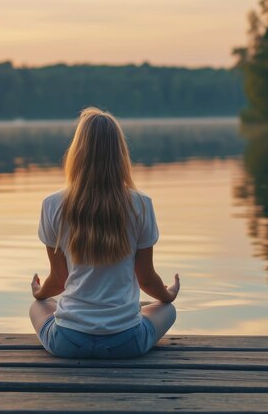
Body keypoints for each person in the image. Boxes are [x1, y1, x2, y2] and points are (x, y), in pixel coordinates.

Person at [29, 107, 180, 359]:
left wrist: (39, 292)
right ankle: (128, 314)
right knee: (167, 310)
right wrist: (168, 294)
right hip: (126, 343)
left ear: (77, 153)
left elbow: (58, 279)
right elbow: (145, 279)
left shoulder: (52, 204)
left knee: (40, 305)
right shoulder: (141, 204)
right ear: (120, 154)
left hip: (67, 342)